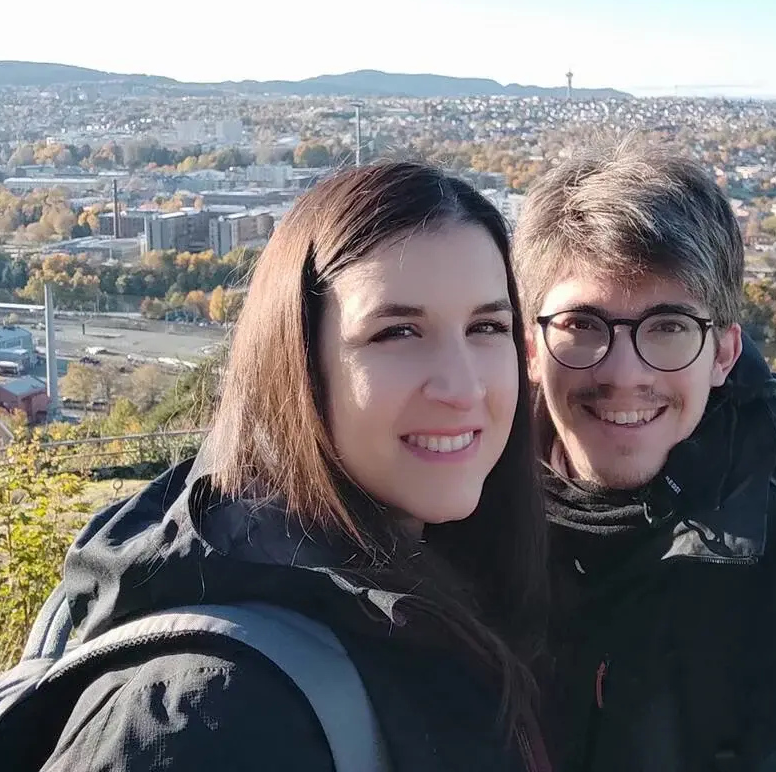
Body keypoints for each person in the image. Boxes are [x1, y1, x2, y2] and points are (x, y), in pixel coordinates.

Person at [38, 162, 551, 771]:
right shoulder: (211, 714)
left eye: (487, 326)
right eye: (397, 333)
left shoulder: (447, 581)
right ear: (300, 364)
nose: (463, 388)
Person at [513, 141, 776, 772]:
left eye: (669, 325)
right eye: (583, 324)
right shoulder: (458, 535)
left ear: (724, 355)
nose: (624, 374)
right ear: (532, 348)